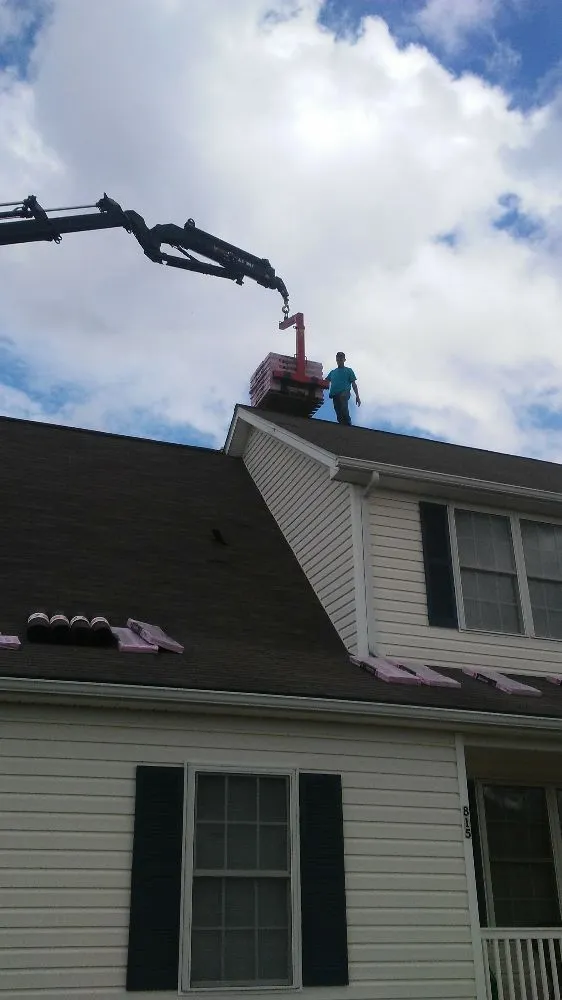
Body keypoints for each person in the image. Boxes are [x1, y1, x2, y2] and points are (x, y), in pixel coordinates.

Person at [325, 352, 361, 425]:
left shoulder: (349, 370)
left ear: (344, 360)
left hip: (344, 392)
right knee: (338, 411)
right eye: (338, 358)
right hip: (335, 394)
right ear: (336, 360)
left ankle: (348, 421)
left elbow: (354, 384)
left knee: (343, 403)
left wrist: (357, 396)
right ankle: (342, 425)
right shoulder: (333, 372)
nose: (339, 360)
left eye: (341, 358)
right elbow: (325, 381)